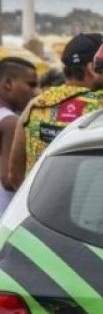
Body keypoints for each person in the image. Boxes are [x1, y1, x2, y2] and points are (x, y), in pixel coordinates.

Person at [7, 33, 103, 189]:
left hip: (38, 209)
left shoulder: (36, 105)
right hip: (82, 210)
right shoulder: (101, 109)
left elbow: (15, 176)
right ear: (92, 69)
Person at [0, 58, 39, 204]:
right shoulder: (10, 122)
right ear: (8, 84)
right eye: (31, 85)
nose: (36, 92)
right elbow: (10, 180)